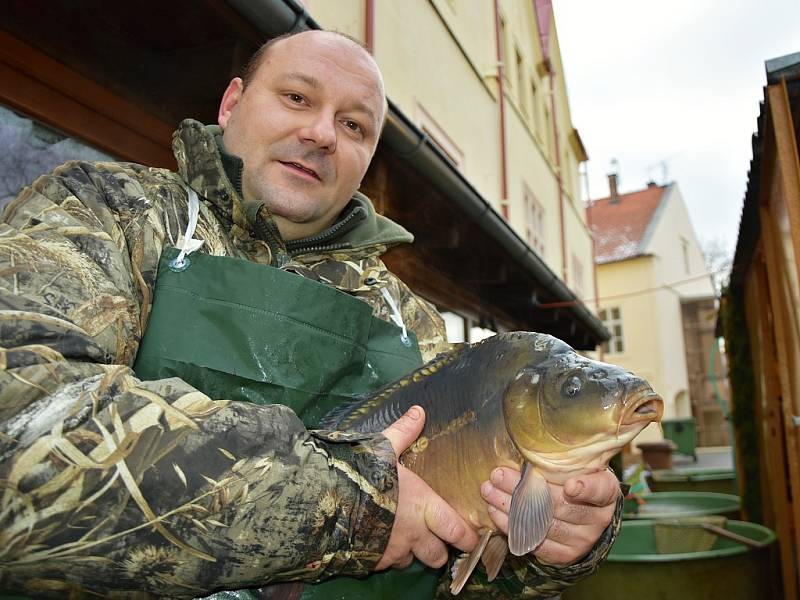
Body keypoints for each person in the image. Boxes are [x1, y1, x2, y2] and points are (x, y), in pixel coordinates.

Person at [0, 29, 621, 599]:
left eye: (354, 126)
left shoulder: (416, 326)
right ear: (231, 104)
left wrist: (551, 547)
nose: (323, 134)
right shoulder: (105, 210)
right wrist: (353, 504)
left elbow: (460, 569)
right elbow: (22, 430)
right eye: (297, 97)